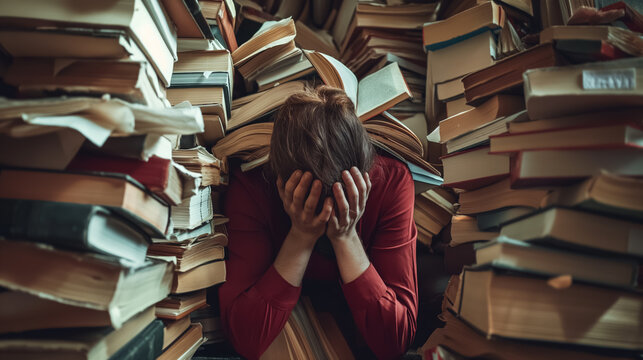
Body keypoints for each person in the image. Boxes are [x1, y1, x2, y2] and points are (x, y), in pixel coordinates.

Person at [219, 86, 418, 359]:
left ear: (364, 171)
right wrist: (301, 236)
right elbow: (246, 338)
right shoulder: (253, 187)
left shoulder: (390, 182)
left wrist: (346, 236)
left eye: (336, 198)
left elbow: (395, 341)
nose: (325, 211)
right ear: (280, 176)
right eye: (313, 197)